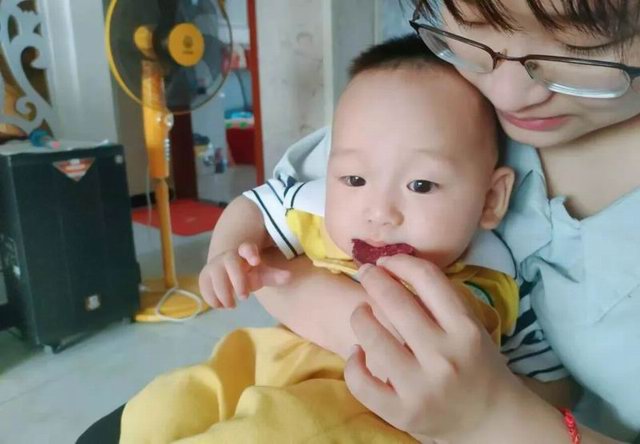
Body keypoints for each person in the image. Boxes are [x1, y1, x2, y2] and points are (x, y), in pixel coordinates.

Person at [239, 1, 639, 443]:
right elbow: (264, 245)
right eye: (475, 26)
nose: (508, 95)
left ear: (494, 196)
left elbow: (547, 380)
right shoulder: (431, 95)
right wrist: (361, 323)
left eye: (583, 40)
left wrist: (489, 416)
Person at [120, 35, 520, 443]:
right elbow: (256, 205)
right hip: (267, 359)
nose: (379, 212)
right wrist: (226, 253)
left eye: (421, 185)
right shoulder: (321, 214)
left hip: (363, 405)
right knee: (156, 409)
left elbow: (523, 385)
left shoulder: (488, 280)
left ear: (490, 199)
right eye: (355, 179)